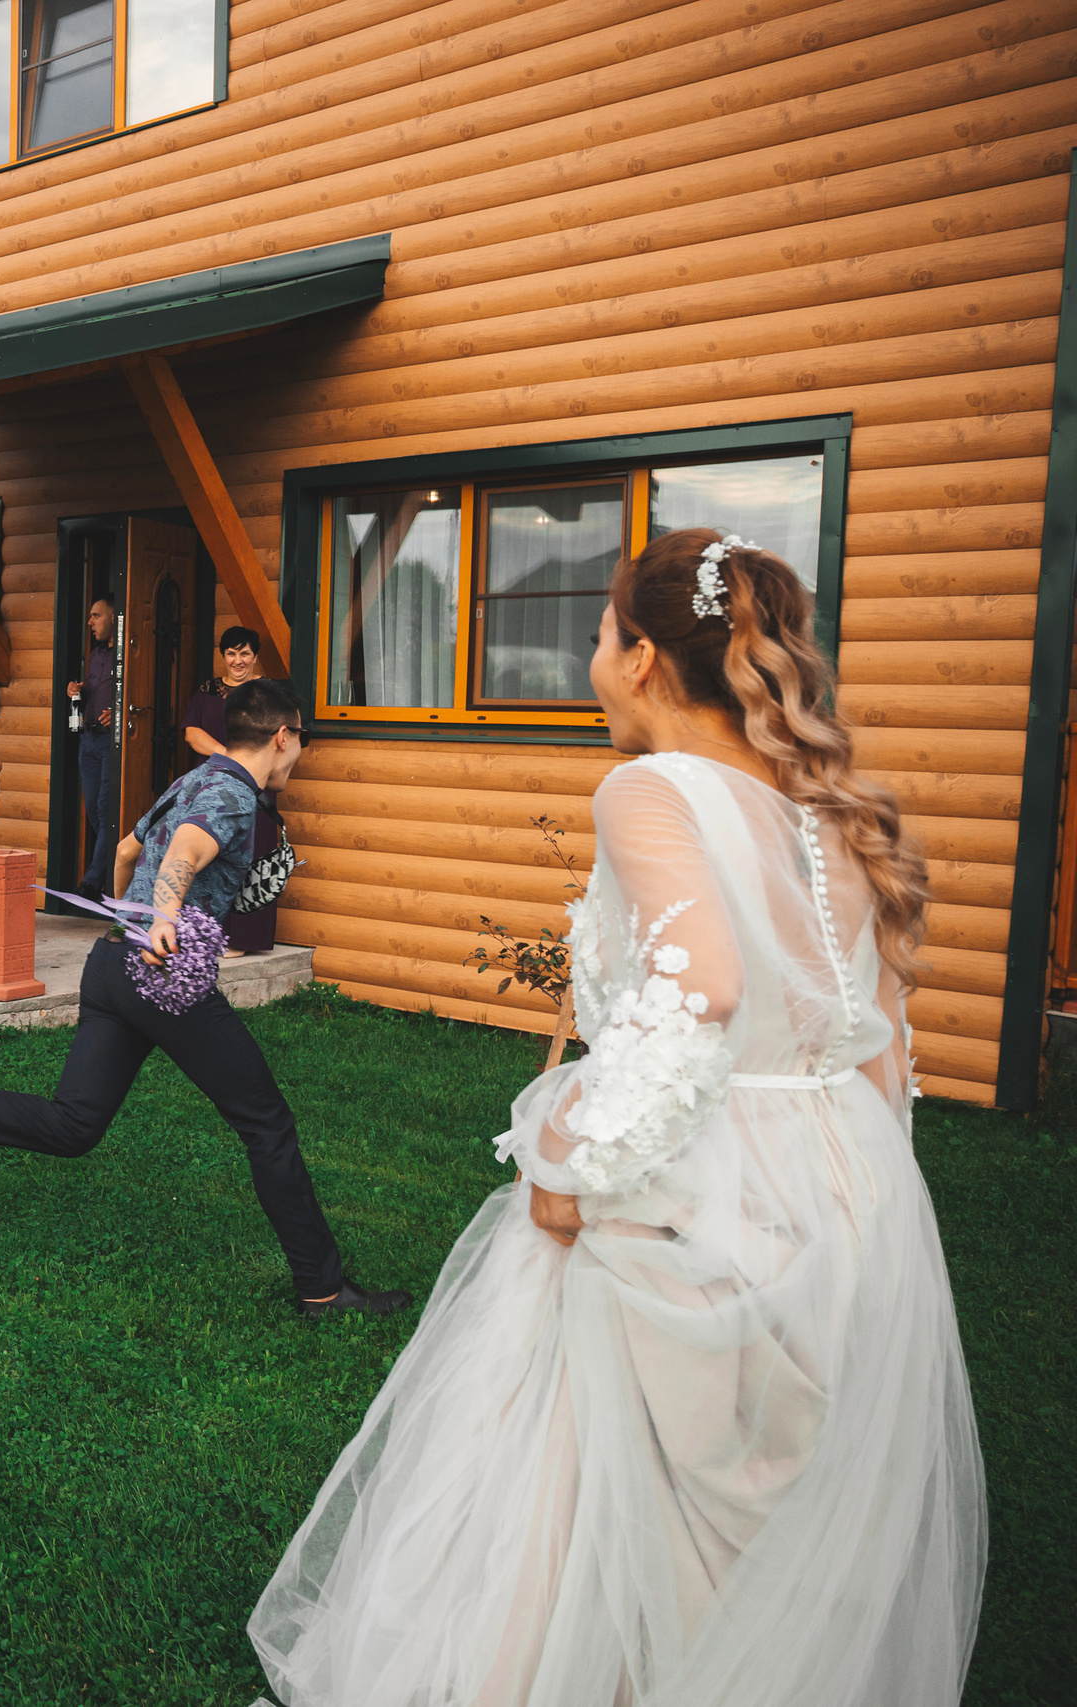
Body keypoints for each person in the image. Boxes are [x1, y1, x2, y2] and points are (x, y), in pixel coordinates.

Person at [247, 532, 984, 1707]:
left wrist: (579, 1164)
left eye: (597, 637)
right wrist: (854, 1199)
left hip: (690, 1186)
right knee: (761, 1531)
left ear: (641, 658)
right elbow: (883, 1046)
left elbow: (704, 988)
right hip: (845, 1190)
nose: (589, 663)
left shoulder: (650, 787)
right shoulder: (829, 814)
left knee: (599, 1497)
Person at [0, 678, 409, 1323]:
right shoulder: (232, 795)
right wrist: (163, 919)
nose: (298, 752)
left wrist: (129, 921)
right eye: (299, 740)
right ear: (284, 735)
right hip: (159, 976)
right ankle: (324, 1292)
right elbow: (184, 853)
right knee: (267, 1123)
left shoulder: (196, 777)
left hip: (112, 961)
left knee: (74, 1124)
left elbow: (131, 848)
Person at [183, 626, 284, 957]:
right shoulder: (207, 690)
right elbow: (192, 734)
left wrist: (248, 767)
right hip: (212, 783)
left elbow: (277, 741)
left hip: (255, 785)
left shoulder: (267, 694)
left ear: (255, 657)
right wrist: (229, 756)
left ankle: (241, 939)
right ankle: (207, 936)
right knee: (211, 856)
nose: (237, 661)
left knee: (252, 856)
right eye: (231, 653)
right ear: (222, 656)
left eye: (244, 654)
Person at [66, 596, 116, 882]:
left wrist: (119, 711)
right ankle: (112, 862)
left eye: (95, 616)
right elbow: (91, 691)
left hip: (112, 740)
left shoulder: (125, 655)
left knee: (105, 807)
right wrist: (76, 689)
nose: (90, 622)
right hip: (88, 738)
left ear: (112, 617)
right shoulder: (96, 654)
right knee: (93, 810)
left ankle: (94, 878)